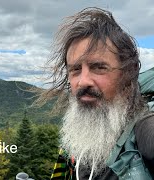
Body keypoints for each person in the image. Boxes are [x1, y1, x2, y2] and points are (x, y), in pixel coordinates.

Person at [36, 7, 154, 179]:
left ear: (130, 71)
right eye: (75, 69)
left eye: (99, 67)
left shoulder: (145, 128)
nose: (83, 81)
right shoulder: (80, 136)